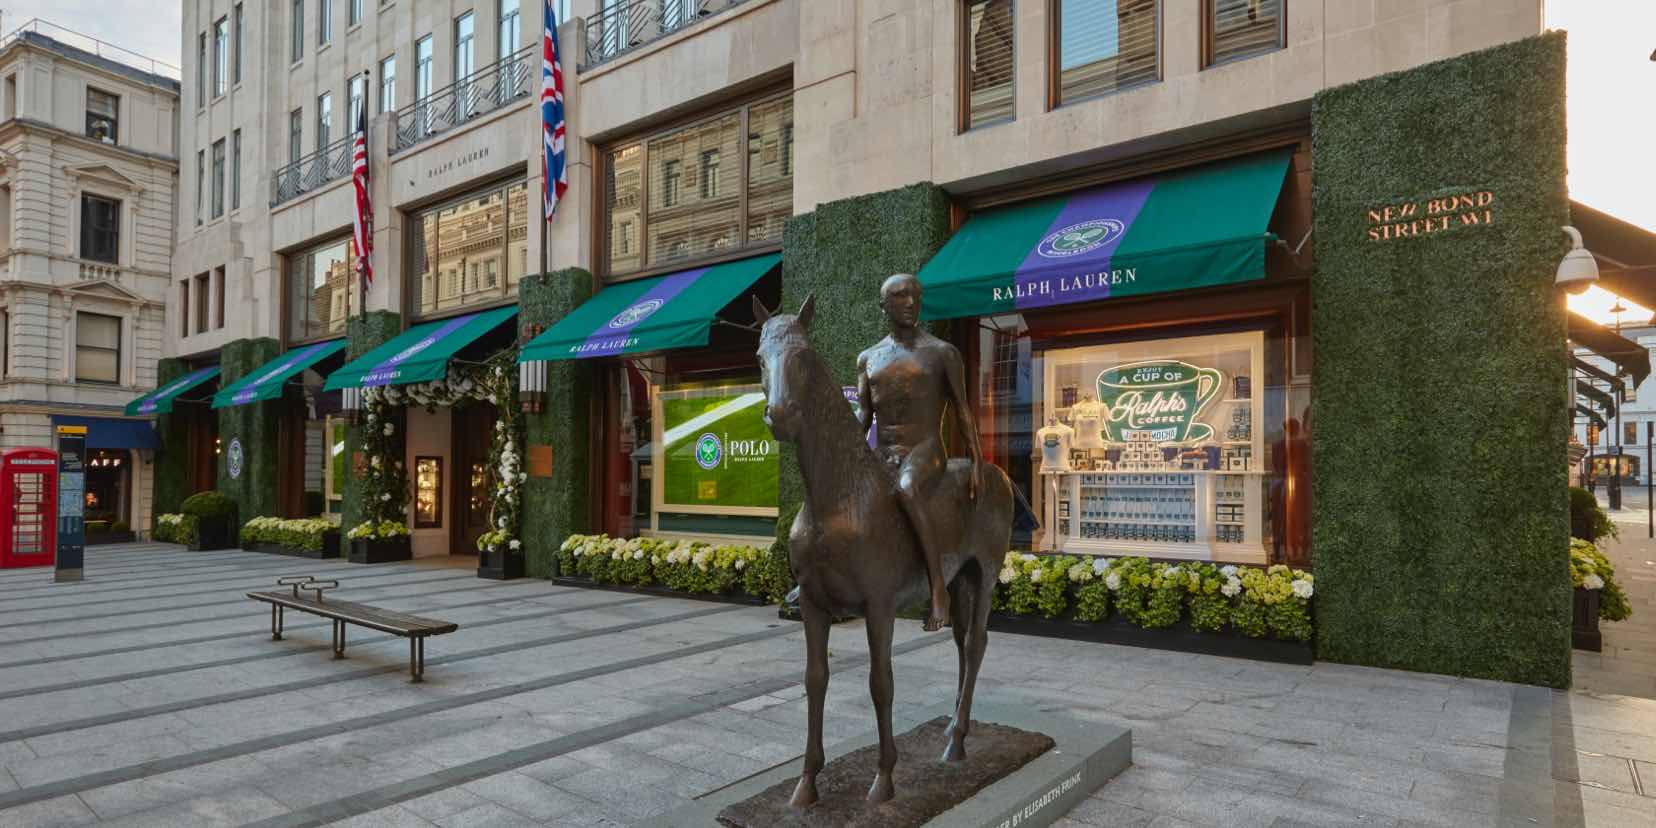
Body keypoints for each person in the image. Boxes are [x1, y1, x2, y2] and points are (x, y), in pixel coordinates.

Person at [857, 274, 983, 631]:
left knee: (907, 488)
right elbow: (865, 415)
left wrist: (977, 459)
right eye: (900, 296)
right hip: (883, 452)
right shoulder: (868, 357)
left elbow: (962, 409)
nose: (911, 302)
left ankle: (938, 588)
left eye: (915, 295)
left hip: (925, 450)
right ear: (884, 305)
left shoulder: (941, 352)